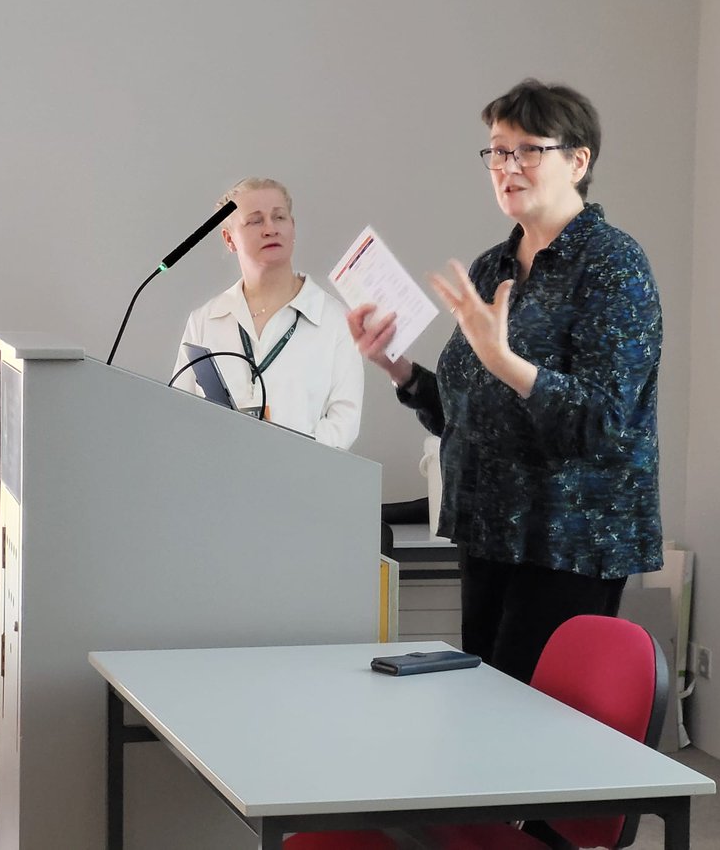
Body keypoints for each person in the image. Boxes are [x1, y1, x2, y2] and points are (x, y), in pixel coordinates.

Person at [349, 79, 663, 682]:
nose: (508, 166)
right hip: (489, 529)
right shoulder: (493, 265)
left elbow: (604, 422)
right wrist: (400, 368)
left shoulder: (613, 265)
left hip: (569, 538)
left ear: (578, 160)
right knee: (485, 715)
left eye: (528, 149)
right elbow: (466, 409)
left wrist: (504, 360)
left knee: (535, 732)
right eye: (497, 150)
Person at [173, 177, 363, 450]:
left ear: (293, 227)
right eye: (255, 221)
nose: (271, 229)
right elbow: (180, 411)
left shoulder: (335, 320)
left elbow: (344, 423)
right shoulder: (204, 321)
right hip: (217, 478)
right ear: (229, 239)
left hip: (302, 480)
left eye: (279, 217)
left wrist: (285, 460)